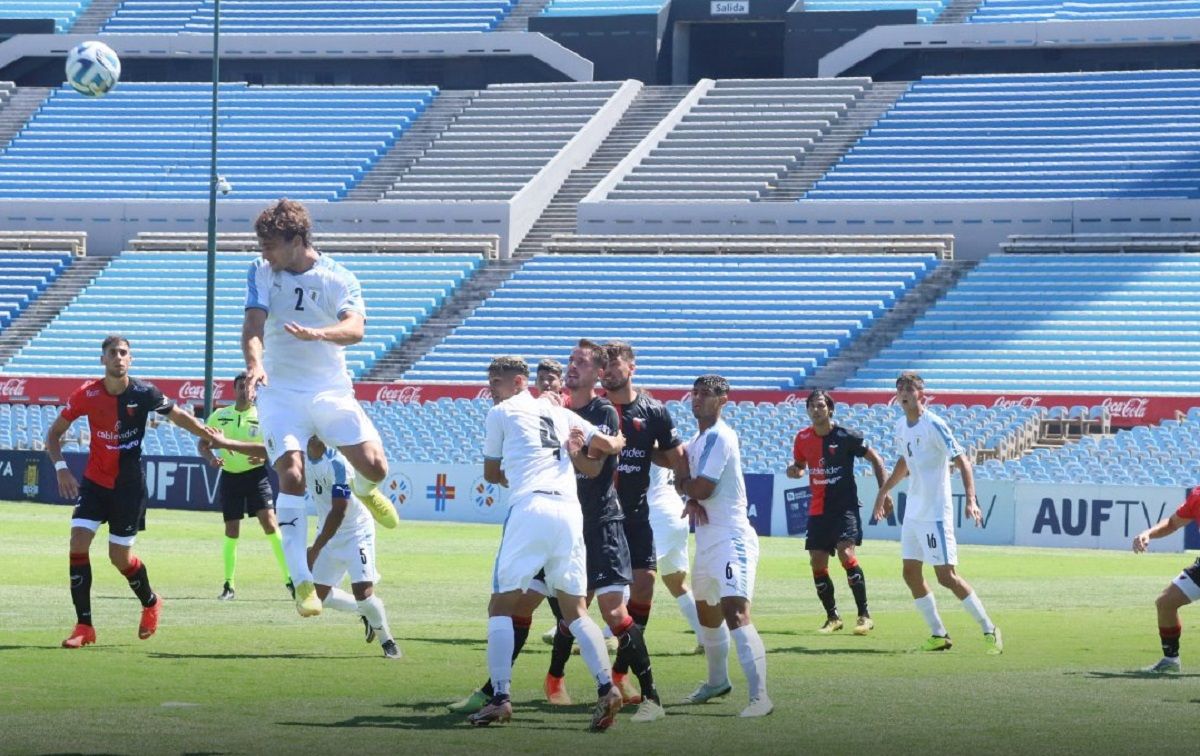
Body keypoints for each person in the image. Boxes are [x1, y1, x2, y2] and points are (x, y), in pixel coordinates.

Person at [242, 198, 398, 619]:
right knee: (290, 474)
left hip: (328, 388)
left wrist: (318, 334)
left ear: (296, 240)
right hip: (280, 391)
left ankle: (368, 493)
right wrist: (255, 364)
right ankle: (302, 582)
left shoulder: (337, 276)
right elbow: (253, 327)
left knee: (375, 467)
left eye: (270, 244)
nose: (264, 252)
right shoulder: (260, 272)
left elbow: (356, 328)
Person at [467, 356, 627, 730]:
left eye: (497, 381)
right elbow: (609, 442)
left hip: (532, 507)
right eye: (490, 380)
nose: (491, 388)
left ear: (519, 381)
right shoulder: (560, 412)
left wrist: (521, 470)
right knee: (575, 611)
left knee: (500, 606)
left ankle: (501, 698)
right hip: (569, 511)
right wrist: (614, 440)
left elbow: (492, 472)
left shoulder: (502, 412)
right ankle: (607, 688)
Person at [45, 335, 221, 648]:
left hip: (128, 488)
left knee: (119, 558)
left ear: (131, 359)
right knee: (78, 543)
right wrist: (61, 469)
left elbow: (177, 414)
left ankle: (151, 602)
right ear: (103, 359)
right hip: (95, 484)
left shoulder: (144, 392)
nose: (118, 357)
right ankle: (84, 626)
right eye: (112, 353)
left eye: (123, 353)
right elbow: (54, 435)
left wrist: (205, 431)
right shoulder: (87, 394)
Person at [540, 340, 665, 722]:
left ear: (598, 373)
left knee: (613, 611)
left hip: (602, 523)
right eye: (571, 361)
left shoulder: (603, 411)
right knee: (568, 611)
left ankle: (651, 697)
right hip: (565, 524)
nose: (572, 367)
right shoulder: (552, 408)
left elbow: (593, 469)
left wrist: (576, 452)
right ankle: (553, 679)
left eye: (581, 362)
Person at [872, 372, 1003, 654]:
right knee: (910, 573)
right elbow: (904, 463)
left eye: (909, 387)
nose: (904, 392)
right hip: (914, 513)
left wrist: (971, 499)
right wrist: (884, 491)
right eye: (900, 388)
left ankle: (989, 628)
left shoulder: (934, 425)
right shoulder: (900, 426)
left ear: (922, 393)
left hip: (935, 513)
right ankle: (939, 633)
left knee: (946, 576)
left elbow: (962, 460)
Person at [676, 375, 772, 718]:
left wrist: (690, 490)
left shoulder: (720, 436)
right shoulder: (697, 439)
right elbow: (682, 477)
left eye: (706, 394)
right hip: (706, 538)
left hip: (731, 537)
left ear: (723, 401)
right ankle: (718, 681)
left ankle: (761, 697)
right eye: (695, 393)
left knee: (735, 611)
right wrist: (688, 488)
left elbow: (701, 487)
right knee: (707, 613)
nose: (697, 399)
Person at [600, 340, 687, 702]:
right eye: (603, 364)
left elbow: (673, 456)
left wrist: (690, 492)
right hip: (597, 516)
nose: (608, 369)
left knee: (646, 584)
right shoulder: (593, 408)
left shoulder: (653, 410)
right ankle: (555, 676)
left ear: (632, 367)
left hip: (636, 514)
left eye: (615, 362)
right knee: (578, 601)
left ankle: (620, 671)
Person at [787, 389, 889, 635]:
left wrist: (883, 493)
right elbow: (800, 466)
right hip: (818, 509)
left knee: (845, 553)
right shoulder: (801, 438)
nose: (816, 409)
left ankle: (864, 615)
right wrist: (796, 471)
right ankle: (833, 618)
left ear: (830, 409)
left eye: (820, 405)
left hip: (844, 507)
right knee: (817, 561)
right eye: (811, 406)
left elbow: (876, 459)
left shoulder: (846, 436)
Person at [196, 372, 291, 600]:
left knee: (269, 523)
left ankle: (291, 580)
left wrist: (263, 458)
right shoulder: (220, 416)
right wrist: (210, 458)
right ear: (234, 389)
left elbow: (274, 448)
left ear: (255, 391)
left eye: (249, 387)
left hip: (256, 477)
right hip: (230, 477)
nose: (246, 391)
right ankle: (229, 585)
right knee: (231, 530)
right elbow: (202, 444)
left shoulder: (263, 416)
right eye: (241, 387)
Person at [1132, 485, 1200, 673]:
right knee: (1165, 603)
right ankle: (1171, 659)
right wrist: (1148, 533)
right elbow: (1172, 524)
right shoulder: (1197, 496)